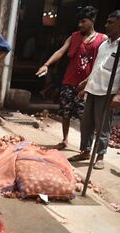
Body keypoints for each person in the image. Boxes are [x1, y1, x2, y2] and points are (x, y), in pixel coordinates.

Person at [69, 10, 120, 171]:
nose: (106, 25)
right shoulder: (104, 44)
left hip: (109, 91)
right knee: (86, 124)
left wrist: (119, 94)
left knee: (102, 126)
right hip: (94, 88)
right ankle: (85, 151)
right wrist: (86, 84)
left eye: (110, 22)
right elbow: (97, 67)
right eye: (107, 22)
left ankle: (100, 156)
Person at [36, 6, 105, 150]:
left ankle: (86, 147)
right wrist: (46, 64)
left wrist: (89, 82)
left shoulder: (102, 39)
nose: (80, 25)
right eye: (79, 22)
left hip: (88, 84)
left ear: (92, 21)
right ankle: (65, 140)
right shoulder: (74, 36)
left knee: (85, 117)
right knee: (65, 112)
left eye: (83, 21)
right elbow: (61, 51)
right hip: (69, 81)